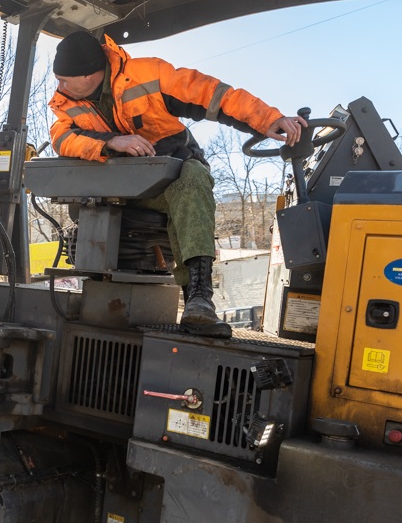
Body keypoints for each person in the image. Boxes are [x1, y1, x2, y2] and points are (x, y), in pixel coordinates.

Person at [49, 32, 307, 337]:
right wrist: (113, 142)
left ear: (90, 74)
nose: (59, 87)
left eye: (65, 80)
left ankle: (199, 299)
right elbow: (62, 139)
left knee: (191, 181)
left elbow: (212, 95)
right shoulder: (66, 105)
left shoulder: (148, 75)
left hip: (171, 178)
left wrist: (267, 119)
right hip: (125, 192)